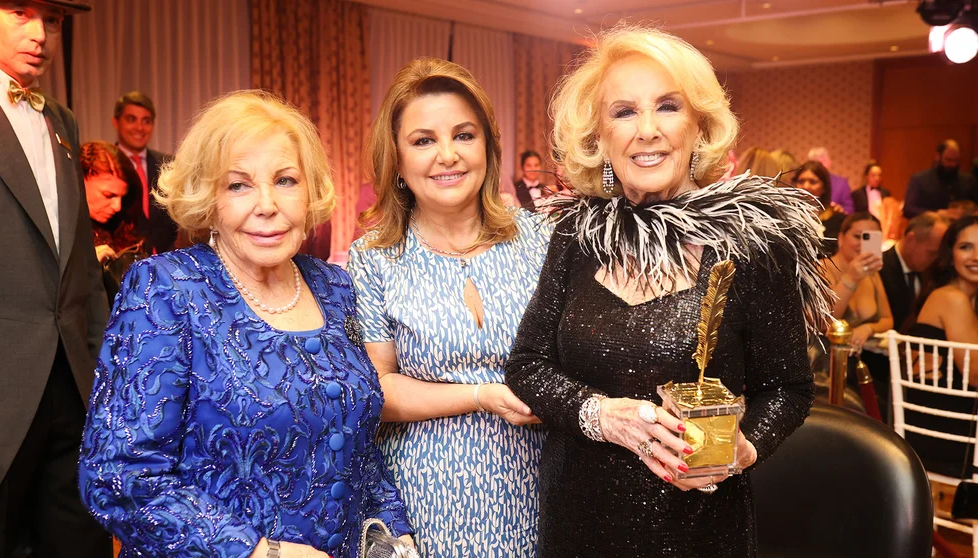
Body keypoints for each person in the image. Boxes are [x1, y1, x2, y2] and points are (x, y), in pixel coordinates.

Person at [504, 26, 830, 557]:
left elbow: (788, 387)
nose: (647, 131)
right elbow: (527, 364)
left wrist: (744, 448)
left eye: (668, 106)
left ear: (699, 125)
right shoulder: (577, 235)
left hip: (698, 529)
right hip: (576, 521)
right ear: (599, 136)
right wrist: (602, 416)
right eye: (624, 112)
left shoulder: (752, 243)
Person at [78, 91, 412, 558]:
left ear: (310, 191)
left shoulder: (335, 286)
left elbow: (355, 439)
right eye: (238, 185)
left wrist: (393, 531)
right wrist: (256, 551)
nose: (267, 205)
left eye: (286, 180)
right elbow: (118, 477)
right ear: (208, 199)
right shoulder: (166, 288)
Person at [348, 58, 550, 557]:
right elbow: (377, 391)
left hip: (540, 486)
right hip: (424, 498)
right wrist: (480, 395)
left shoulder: (542, 240)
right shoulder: (374, 258)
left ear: (488, 146)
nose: (448, 155)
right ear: (397, 160)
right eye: (423, 141)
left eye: (464, 135)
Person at [0, 2, 112, 556]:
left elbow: (81, 265)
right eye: (20, 12)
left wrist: (103, 375)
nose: (40, 34)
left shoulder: (61, 120)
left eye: (53, 20)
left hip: (72, 385)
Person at [903, 215, 978, 477]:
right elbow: (975, 375)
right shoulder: (952, 299)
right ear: (950, 254)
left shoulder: (965, 300)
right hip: (947, 432)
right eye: (966, 247)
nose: (976, 256)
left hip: (952, 426)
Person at [822, 212, 894, 419]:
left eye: (870, 238)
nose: (863, 243)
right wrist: (851, 278)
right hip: (829, 367)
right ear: (841, 238)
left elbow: (888, 320)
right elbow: (824, 321)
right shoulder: (821, 268)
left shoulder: (872, 274)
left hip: (867, 367)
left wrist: (867, 328)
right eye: (857, 236)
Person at [80, 140, 149, 302]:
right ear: (81, 179)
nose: (117, 206)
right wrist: (84, 265)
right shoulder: (63, 231)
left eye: (121, 196)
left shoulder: (123, 224)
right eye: (109, 195)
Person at [112, 90, 178, 252]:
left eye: (146, 121)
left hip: (164, 258)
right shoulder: (105, 164)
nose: (139, 128)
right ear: (116, 122)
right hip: (118, 258)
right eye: (131, 119)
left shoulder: (169, 165)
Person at [879, 212, 948, 332]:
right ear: (911, 239)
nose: (935, 259)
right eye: (931, 253)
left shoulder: (932, 272)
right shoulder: (879, 268)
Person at [904, 139, 978, 218]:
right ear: (937, 157)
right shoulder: (919, 179)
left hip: (963, 222)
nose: (953, 164)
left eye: (956, 160)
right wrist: (937, 213)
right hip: (931, 221)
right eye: (948, 160)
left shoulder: (968, 180)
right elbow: (908, 209)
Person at [792, 160, 845, 257]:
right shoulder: (788, 214)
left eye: (813, 182)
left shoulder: (836, 218)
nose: (806, 186)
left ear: (824, 187)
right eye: (801, 181)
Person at [808, 146, 855, 215]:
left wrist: (841, 209)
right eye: (817, 163)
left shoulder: (841, 183)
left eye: (824, 162)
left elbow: (850, 208)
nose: (820, 167)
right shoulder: (805, 183)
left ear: (829, 162)